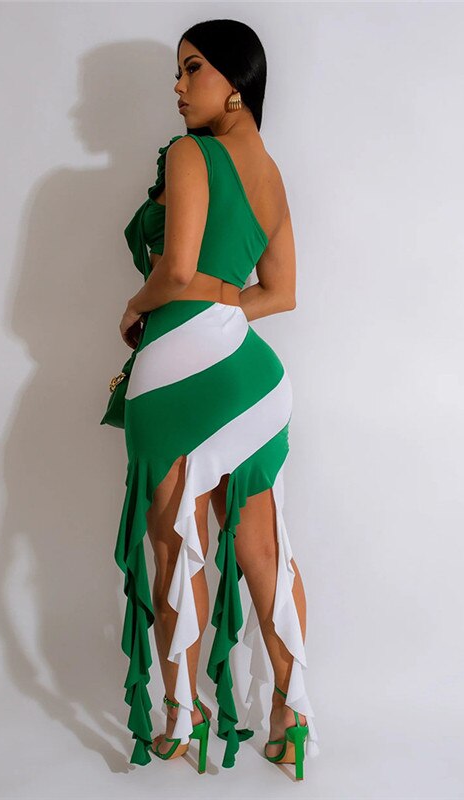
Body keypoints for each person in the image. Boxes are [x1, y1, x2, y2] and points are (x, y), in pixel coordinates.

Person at [113, 19, 319, 780]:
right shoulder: (272, 174)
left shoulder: (190, 154)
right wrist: (225, 302)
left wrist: (135, 306)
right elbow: (281, 292)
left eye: (191, 68)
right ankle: (291, 719)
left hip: (179, 368)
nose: (178, 86)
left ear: (235, 83)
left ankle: (182, 718)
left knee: (176, 545)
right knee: (265, 548)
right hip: (254, 378)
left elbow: (175, 271)